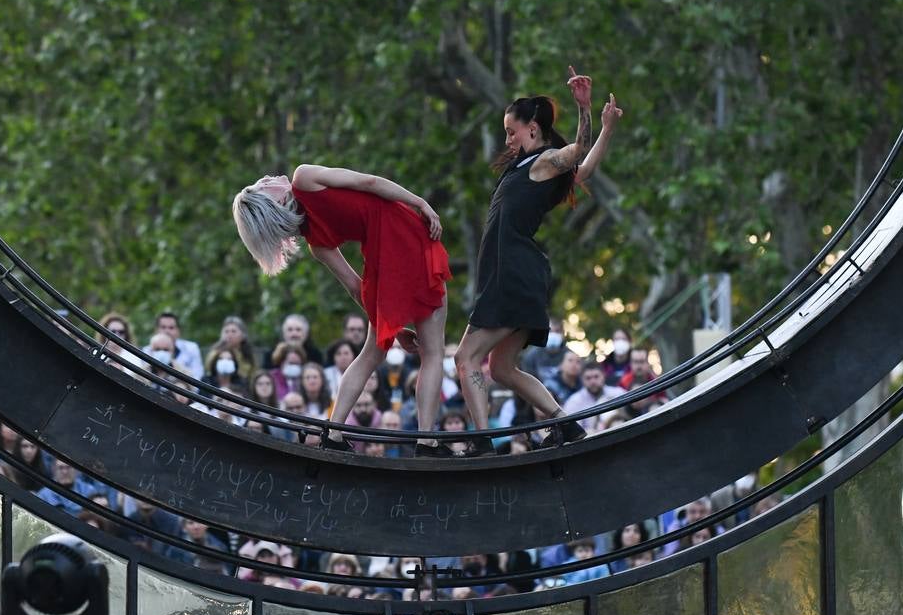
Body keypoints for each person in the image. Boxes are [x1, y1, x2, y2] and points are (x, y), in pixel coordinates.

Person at [233, 163, 452, 456]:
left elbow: (354, 286)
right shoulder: (304, 178)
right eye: (263, 184)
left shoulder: (316, 244)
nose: (268, 177)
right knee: (433, 351)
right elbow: (370, 181)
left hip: (380, 264)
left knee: (371, 354)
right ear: (275, 201)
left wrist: (394, 328)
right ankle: (427, 440)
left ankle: (334, 431)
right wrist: (420, 202)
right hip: (405, 239)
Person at [454, 73, 620, 454]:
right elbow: (585, 172)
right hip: (512, 274)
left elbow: (579, 151)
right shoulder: (528, 166)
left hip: (512, 274)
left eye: (512, 131)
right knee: (499, 368)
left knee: (467, 358)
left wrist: (585, 108)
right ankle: (566, 424)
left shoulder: (543, 161)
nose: (508, 139)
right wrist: (609, 129)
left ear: (532, 128)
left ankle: (482, 442)